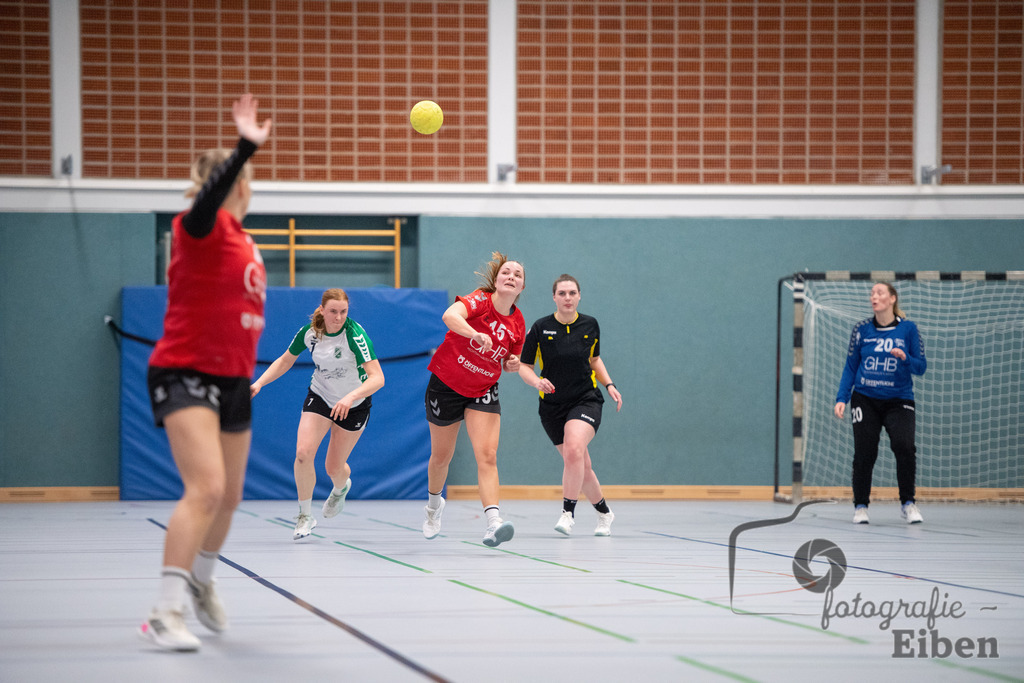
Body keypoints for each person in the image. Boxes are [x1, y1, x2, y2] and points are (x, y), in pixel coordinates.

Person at [140, 94, 272, 651]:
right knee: (206, 487)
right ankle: (163, 615)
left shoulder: (246, 242)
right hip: (183, 369)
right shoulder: (199, 230)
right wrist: (244, 148)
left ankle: (200, 580)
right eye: (241, 174)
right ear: (234, 181)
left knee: (232, 493)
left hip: (233, 378)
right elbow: (207, 202)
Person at [250, 288, 385, 540]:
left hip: (353, 404)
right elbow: (285, 360)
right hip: (321, 396)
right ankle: (304, 515)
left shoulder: (355, 336)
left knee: (333, 468)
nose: (338, 317)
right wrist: (259, 383)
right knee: (303, 453)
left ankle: (341, 487)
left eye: (343, 311)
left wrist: (350, 397)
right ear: (322, 310)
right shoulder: (310, 333)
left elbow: (378, 378)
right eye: (333, 311)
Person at [421, 252, 526, 547]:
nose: (511, 277)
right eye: (507, 272)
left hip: (483, 389)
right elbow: (449, 316)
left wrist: (513, 365)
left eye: (518, 275)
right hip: (446, 384)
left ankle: (493, 523)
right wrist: (474, 334)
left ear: (521, 289)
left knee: (488, 455)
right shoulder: (480, 300)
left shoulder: (517, 323)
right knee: (441, 457)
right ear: (496, 280)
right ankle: (433, 507)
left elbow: (509, 361)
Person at [517, 274, 622, 536]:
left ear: (579, 296)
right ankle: (604, 514)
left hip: (585, 399)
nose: (567, 298)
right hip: (552, 407)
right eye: (562, 293)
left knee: (574, 449)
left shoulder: (590, 325)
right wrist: (536, 382)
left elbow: (594, 360)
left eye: (572, 293)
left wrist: (609, 385)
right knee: (580, 465)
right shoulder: (540, 328)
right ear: (554, 297)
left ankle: (567, 514)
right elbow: (524, 366)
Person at [834, 282, 926, 525]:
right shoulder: (861, 330)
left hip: (899, 399)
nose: (874, 296)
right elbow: (851, 366)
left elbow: (921, 367)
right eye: (872, 293)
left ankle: (908, 503)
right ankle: (861, 506)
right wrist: (842, 398)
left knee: (904, 446)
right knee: (865, 451)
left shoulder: (908, 330)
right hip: (865, 399)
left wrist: (905, 358)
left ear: (892, 299)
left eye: (880, 293)